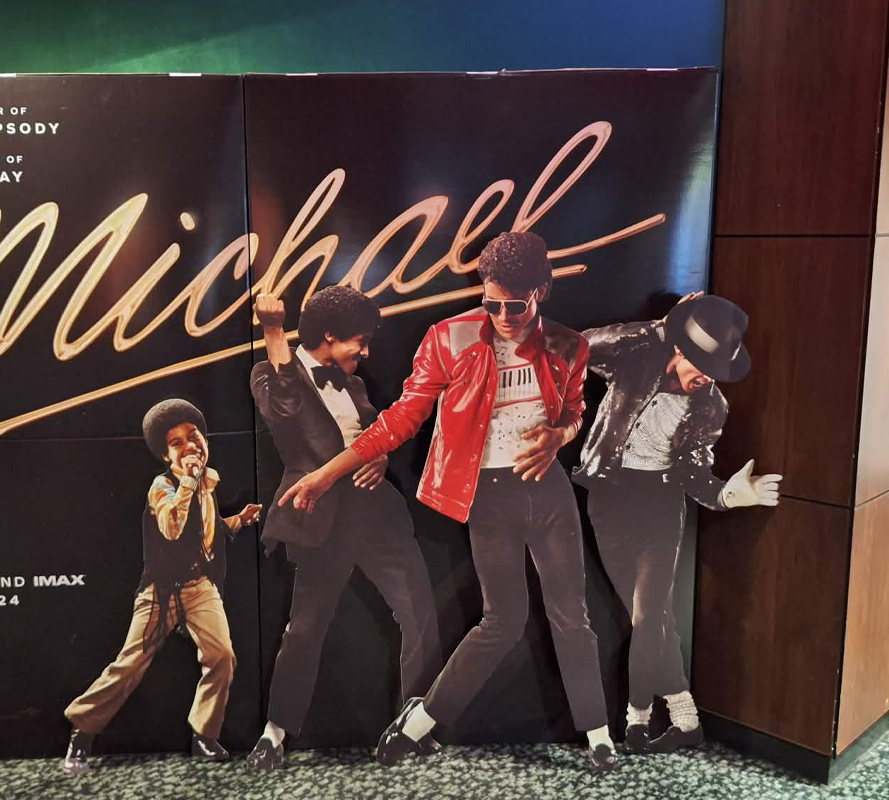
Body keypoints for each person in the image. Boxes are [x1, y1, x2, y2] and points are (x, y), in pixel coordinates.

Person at [280, 232, 618, 771]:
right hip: (488, 496)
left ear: (541, 291)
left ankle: (600, 737)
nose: (502, 316)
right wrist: (325, 475)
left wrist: (560, 436)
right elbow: (401, 419)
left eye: (515, 305)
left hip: (548, 492)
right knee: (502, 620)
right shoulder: (449, 338)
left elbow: (575, 410)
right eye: (491, 302)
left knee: (572, 616)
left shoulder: (568, 346)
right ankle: (419, 722)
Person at [246, 285, 442, 772]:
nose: (366, 352)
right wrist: (274, 331)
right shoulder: (268, 374)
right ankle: (274, 734)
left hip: (378, 518)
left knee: (419, 614)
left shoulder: (353, 383)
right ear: (330, 336)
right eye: (361, 340)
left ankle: (414, 725)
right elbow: (283, 409)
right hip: (319, 520)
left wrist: (381, 458)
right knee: (304, 629)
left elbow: (376, 434)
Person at [575, 292, 781, 754]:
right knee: (651, 619)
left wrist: (730, 494)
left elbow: (693, 474)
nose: (706, 377)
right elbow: (584, 346)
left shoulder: (711, 406)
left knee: (649, 616)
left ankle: (636, 717)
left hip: (662, 507)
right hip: (608, 502)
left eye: (717, 370)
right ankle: (687, 720)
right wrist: (659, 327)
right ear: (679, 349)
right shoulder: (636, 363)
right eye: (701, 364)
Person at [62, 399, 262, 775]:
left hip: (199, 586)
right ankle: (82, 731)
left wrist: (238, 520)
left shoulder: (207, 482)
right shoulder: (162, 486)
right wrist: (188, 481)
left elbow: (206, 532)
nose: (189, 446)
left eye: (193, 436)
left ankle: (204, 734)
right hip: (160, 591)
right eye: (177, 443)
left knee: (222, 656)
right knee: (131, 663)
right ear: (165, 455)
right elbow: (172, 529)